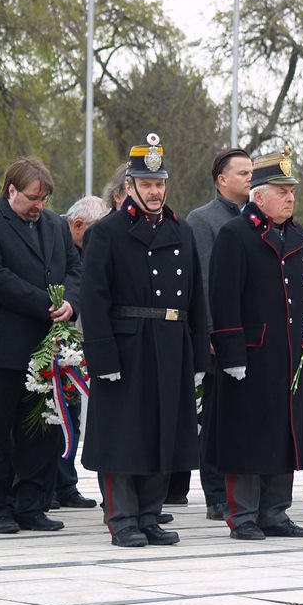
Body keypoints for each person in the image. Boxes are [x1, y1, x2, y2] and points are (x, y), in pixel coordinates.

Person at [80, 134, 209, 547]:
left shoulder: (181, 230)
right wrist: (103, 356)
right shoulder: (108, 232)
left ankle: (150, 516)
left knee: (163, 431)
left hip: (171, 342)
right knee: (123, 434)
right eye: (146, 184)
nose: (154, 192)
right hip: (127, 344)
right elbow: (94, 299)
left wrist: (198, 355)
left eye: (160, 184)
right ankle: (122, 518)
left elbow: (195, 296)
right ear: (130, 187)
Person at [207, 147, 303, 541]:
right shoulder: (235, 235)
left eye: (292, 191)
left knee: (284, 431)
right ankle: (243, 515)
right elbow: (223, 299)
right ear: (258, 196)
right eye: (282, 191)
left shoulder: (297, 236)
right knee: (248, 433)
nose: (291, 197)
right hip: (252, 355)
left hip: (290, 352)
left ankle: (276, 511)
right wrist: (230, 352)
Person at [0, 156, 81, 534]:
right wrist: (47, 303)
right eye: (33, 197)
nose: (39, 206)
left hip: (45, 350)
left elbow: (75, 270)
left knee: (41, 429)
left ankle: (32, 503)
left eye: (44, 199)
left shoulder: (54, 226)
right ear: (11, 190)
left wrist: (71, 302)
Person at [178, 147, 252, 520]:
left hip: (252, 333)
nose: (250, 178)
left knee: (243, 415)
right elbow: (203, 279)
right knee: (217, 415)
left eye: (252, 172)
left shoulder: (255, 218)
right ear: (222, 180)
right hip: (219, 333)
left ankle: (242, 488)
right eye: (242, 173)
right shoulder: (202, 219)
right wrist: (208, 330)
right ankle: (216, 493)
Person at [49, 195, 109, 511]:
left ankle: (65, 484)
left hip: (80, 347)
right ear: (77, 226)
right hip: (54, 345)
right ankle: (50, 484)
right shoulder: (54, 240)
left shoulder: (88, 246)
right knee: (53, 415)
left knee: (71, 417)